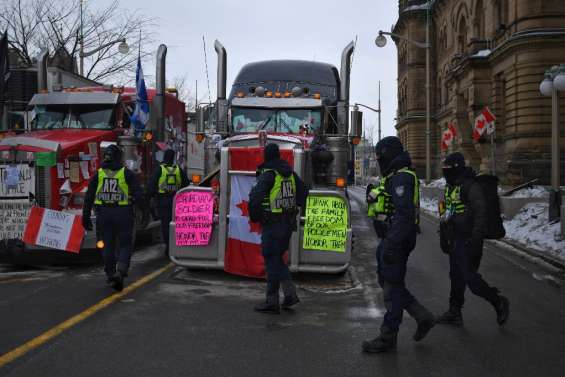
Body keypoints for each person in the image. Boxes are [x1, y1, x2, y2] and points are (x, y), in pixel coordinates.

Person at [362, 136, 434, 354]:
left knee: (392, 288)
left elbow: (403, 215)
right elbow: (387, 203)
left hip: (397, 239)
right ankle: (423, 316)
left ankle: (388, 337)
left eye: (380, 156)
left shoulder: (402, 177)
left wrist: (392, 244)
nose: (378, 160)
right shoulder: (394, 175)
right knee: (388, 282)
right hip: (391, 237)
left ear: (388, 154)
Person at [437, 152, 510, 326]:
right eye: (444, 169)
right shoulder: (450, 186)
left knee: (471, 279)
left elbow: (481, 215)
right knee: (455, 276)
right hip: (454, 239)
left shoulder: (471, 186)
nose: (445, 172)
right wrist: (443, 235)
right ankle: (455, 312)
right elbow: (445, 212)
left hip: (468, 240)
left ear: (456, 168)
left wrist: (476, 241)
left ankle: (498, 302)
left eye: (448, 169)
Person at [249, 143, 308, 314]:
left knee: (271, 259)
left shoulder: (269, 175)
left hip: (273, 225)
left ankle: (273, 301)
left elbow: (255, 198)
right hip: (288, 224)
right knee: (276, 259)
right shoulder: (290, 174)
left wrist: (257, 217)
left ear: (266, 156)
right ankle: (288, 295)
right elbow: (304, 192)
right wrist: (292, 207)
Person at [82, 144, 144, 291]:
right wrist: (145, 211)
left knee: (107, 245)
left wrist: (85, 216)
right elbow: (138, 194)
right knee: (125, 244)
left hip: (103, 214)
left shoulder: (99, 174)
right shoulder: (127, 173)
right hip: (123, 213)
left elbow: (89, 196)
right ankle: (120, 271)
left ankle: (110, 273)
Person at [147, 149, 190, 256]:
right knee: (176, 225)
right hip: (177, 201)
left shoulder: (159, 170)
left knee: (166, 225)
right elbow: (186, 184)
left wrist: (150, 198)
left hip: (163, 202)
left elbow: (151, 186)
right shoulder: (178, 170)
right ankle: (176, 246)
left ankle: (169, 247)